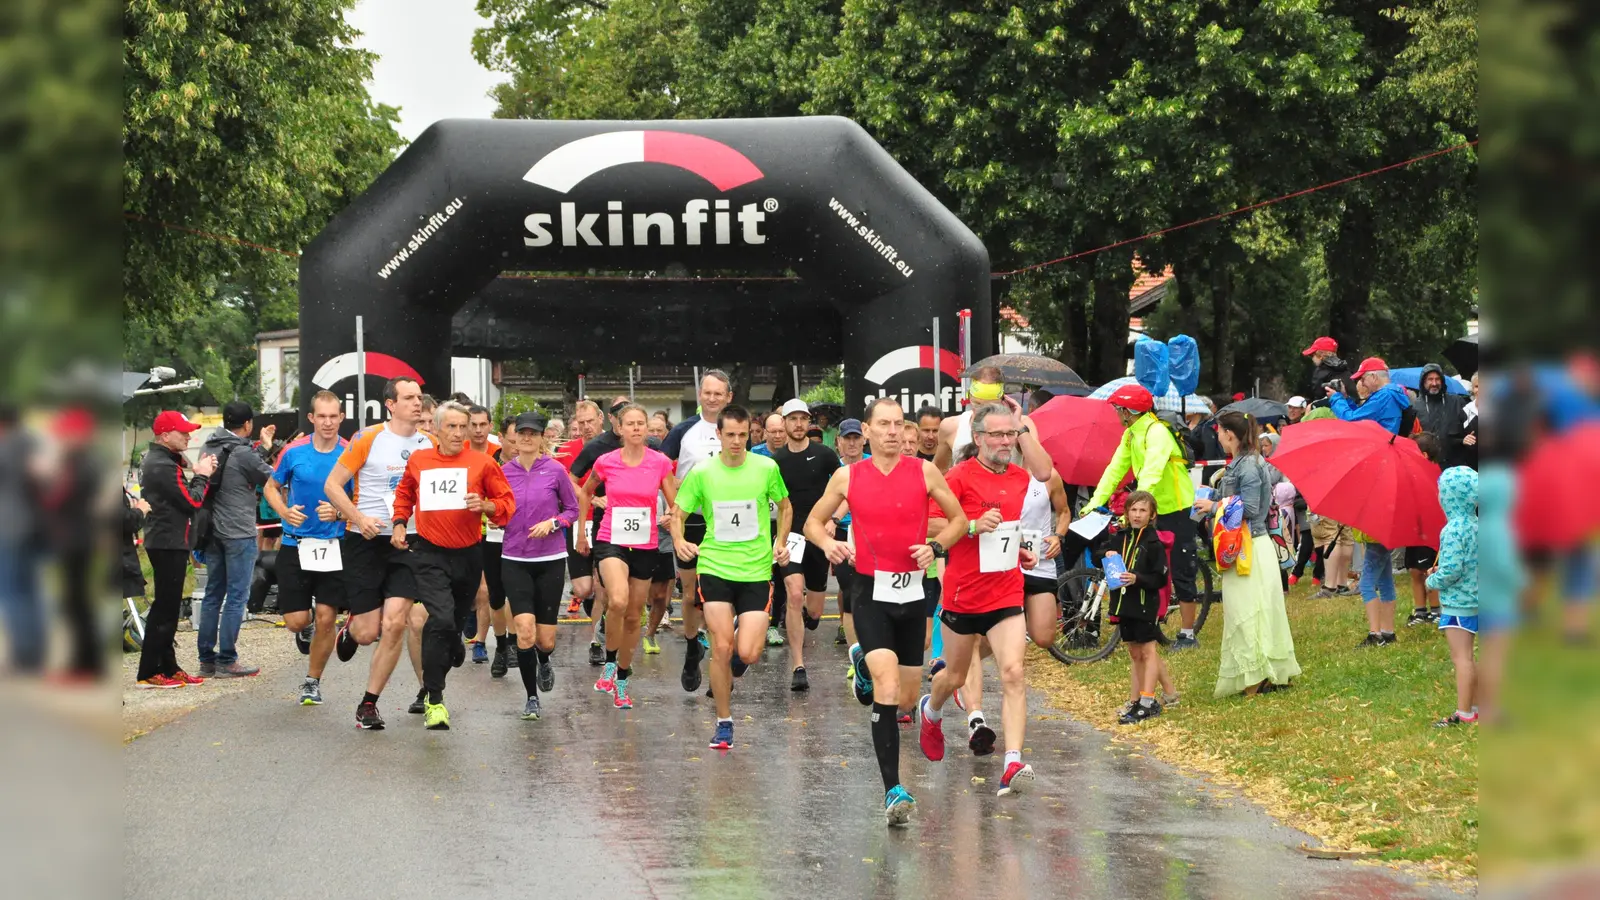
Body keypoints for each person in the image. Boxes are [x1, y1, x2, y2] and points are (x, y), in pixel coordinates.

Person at [804, 397, 966, 825]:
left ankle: (859, 665)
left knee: (909, 698)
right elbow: (812, 524)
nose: (893, 431)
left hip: (913, 595)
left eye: (899, 424)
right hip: (870, 589)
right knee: (887, 688)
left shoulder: (925, 471)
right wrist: (829, 544)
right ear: (869, 432)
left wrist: (935, 547)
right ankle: (893, 789)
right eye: (884, 424)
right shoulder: (847, 476)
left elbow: (959, 521)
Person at [918, 402, 1043, 796]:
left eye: (1011, 434)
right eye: (998, 435)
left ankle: (1012, 761)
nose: (1006, 442)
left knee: (1013, 673)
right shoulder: (957, 477)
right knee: (954, 676)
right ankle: (931, 710)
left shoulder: (1021, 478)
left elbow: (1009, 526)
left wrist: (1017, 548)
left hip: (1006, 589)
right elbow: (930, 520)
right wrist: (971, 526)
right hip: (962, 592)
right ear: (978, 437)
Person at [389, 402, 515, 730]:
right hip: (429, 553)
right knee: (440, 619)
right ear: (437, 430)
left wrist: (486, 505)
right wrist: (400, 522)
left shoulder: (483, 463)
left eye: (464, 427)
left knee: (452, 623)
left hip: (469, 555)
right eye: (452, 427)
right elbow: (404, 494)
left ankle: (456, 638)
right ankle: (435, 699)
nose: (459, 433)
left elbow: (506, 503)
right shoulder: (420, 460)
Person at [673, 405, 792, 748]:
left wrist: (779, 542)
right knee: (722, 647)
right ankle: (724, 722)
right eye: (730, 435)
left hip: (755, 569)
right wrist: (680, 540)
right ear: (719, 435)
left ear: (749, 434)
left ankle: (735, 663)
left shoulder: (766, 467)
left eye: (743, 434)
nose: (737, 441)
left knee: (749, 653)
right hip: (715, 567)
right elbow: (678, 512)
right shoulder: (703, 472)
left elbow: (784, 506)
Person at [324, 376, 436, 729]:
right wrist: (357, 517)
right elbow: (332, 485)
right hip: (365, 541)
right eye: (408, 398)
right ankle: (352, 627)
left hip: (408, 541)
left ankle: (368, 703)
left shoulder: (429, 443)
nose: (417, 404)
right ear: (390, 404)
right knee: (368, 633)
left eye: (419, 397)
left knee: (396, 623)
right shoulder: (368, 438)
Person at [1084, 383, 1202, 650]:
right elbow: (1114, 470)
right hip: (1148, 508)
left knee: (1182, 569)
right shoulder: (1131, 435)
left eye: (1117, 409)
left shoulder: (1157, 432)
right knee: (1144, 564)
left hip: (1175, 507)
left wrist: (1136, 506)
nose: (1115, 413)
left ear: (1128, 411)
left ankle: (1187, 634)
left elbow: (1152, 471)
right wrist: (1094, 504)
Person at [576, 404, 678, 710]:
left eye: (640, 423)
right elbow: (584, 491)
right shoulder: (606, 461)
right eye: (629, 423)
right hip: (611, 539)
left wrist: (672, 520)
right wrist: (582, 532)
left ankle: (621, 677)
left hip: (645, 544)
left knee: (634, 615)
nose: (635, 428)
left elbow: (676, 504)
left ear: (647, 429)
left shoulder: (660, 463)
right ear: (619, 428)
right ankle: (609, 663)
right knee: (617, 600)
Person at [1194, 411, 1301, 697]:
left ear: (1230, 434)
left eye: (1219, 431)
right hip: (1246, 546)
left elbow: (1252, 510)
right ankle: (1269, 673)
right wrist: (1213, 497)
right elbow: (1238, 499)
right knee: (1256, 611)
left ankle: (1257, 678)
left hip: (1250, 547)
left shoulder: (1250, 465)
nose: (1216, 436)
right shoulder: (1242, 463)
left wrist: (1214, 507)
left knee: (1249, 612)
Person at [262, 391, 350, 705]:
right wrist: (284, 512)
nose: (328, 422)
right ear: (311, 418)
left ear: (341, 417)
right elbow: (271, 487)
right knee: (297, 621)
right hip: (295, 544)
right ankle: (305, 625)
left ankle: (312, 681)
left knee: (328, 617)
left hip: (334, 544)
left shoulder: (350, 453)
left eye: (333, 416)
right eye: (321, 416)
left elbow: (360, 502)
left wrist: (339, 512)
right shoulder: (293, 451)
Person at [499, 411, 580, 721]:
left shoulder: (556, 471)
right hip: (514, 559)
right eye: (522, 433)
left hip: (549, 560)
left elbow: (572, 510)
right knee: (524, 632)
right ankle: (531, 697)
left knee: (545, 641)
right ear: (514, 437)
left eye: (533, 433)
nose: (527, 438)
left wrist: (554, 522)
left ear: (544, 436)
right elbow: (495, 507)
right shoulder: (504, 472)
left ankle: (545, 660)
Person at [662, 370, 734, 692]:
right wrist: (671, 505)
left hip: (729, 520)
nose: (713, 398)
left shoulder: (737, 429)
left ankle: (721, 664)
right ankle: (692, 650)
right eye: (708, 392)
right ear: (699, 394)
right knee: (691, 595)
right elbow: (661, 469)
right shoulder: (683, 430)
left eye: (719, 393)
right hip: (692, 520)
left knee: (722, 596)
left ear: (728, 397)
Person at [135, 411, 218, 688]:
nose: (189, 436)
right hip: (167, 542)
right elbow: (192, 502)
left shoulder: (162, 460)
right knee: (164, 609)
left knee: (168, 608)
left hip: (168, 540)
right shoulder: (162, 465)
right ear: (165, 435)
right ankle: (149, 670)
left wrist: (192, 468)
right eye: (182, 432)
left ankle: (169, 667)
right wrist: (203, 476)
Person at [196, 401, 276, 678]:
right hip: (238, 531)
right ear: (248, 425)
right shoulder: (243, 451)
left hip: (212, 532)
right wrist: (268, 447)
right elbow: (269, 477)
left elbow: (247, 465)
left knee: (213, 595)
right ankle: (227, 659)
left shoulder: (209, 445)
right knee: (237, 596)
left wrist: (261, 448)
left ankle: (206, 658)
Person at [771, 398, 841, 691]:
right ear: (783, 424)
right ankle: (798, 665)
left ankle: (805, 619)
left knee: (813, 611)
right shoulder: (774, 462)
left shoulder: (825, 455)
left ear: (808, 422)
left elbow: (845, 490)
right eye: (792, 419)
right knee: (794, 593)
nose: (798, 424)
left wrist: (834, 520)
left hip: (818, 535)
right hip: (790, 536)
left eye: (803, 419)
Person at [1109, 491, 1169, 723]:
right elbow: (1097, 555)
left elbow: (1160, 578)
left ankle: (1147, 700)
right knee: (1134, 653)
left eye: (1142, 510)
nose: (1137, 515)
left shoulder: (1154, 542)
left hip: (1145, 603)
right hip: (1125, 603)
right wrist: (1107, 552)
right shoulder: (1120, 537)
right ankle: (1135, 700)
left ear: (1151, 514)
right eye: (1133, 510)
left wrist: (1138, 579)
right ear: (1126, 513)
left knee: (1147, 651)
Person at [1428, 467, 1479, 727]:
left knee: (1462, 658)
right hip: (1478, 599)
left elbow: (1452, 570)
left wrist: (1431, 580)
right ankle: (1479, 706)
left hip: (1458, 604)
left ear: (1448, 496)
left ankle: (1464, 712)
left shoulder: (1452, 530)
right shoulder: (1476, 525)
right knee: (1471, 657)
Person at [466, 406, 511, 666]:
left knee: (487, 590)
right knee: (474, 588)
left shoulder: (498, 455)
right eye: (474, 424)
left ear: (490, 426)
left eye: (483, 424)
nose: (479, 429)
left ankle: (482, 642)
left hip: (492, 529)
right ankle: (469, 614)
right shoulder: (458, 452)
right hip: (464, 527)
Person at [554, 399, 601, 622]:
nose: (586, 427)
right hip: (580, 521)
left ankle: (599, 633)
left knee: (605, 582)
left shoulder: (614, 445)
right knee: (583, 589)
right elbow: (564, 481)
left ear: (601, 419)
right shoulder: (566, 450)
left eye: (590, 421)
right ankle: (593, 606)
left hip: (609, 520)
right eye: (581, 423)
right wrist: (591, 497)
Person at [1404, 433, 1444, 627]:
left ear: (1425, 455)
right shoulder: (1411, 474)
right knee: (1414, 570)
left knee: (1429, 571)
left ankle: (1436, 610)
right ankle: (1420, 611)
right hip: (1413, 529)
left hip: (1429, 533)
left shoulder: (1435, 475)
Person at [1327, 358, 1412, 436]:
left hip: (1380, 445)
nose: (1362, 383)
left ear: (1373, 377)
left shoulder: (1384, 397)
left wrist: (1336, 398)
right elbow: (1360, 415)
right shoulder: (1392, 393)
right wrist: (1345, 398)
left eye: (1362, 379)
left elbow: (1351, 420)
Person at [1414, 363, 1469, 468]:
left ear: (1442, 381)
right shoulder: (1415, 406)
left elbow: (1470, 430)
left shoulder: (1457, 402)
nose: (1434, 383)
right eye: (1430, 379)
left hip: (1455, 465)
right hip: (1426, 465)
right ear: (1423, 382)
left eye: (1437, 379)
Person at [1302, 336, 1351, 406]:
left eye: (1312, 355)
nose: (1312, 358)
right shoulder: (1345, 368)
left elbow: (1317, 395)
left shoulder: (1321, 371)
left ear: (1321, 355)